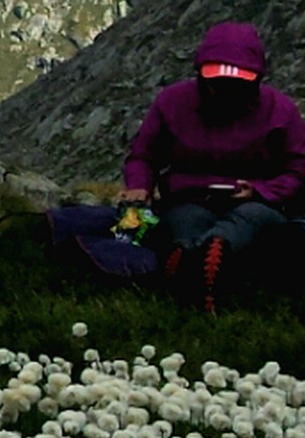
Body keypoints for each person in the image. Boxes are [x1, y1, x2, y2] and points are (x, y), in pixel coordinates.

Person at [119, 21, 305, 310]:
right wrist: (139, 186)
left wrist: (260, 190)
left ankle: (193, 259)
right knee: (190, 221)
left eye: (236, 84)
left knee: (245, 219)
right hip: (190, 200)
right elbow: (144, 155)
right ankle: (208, 262)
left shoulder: (280, 111)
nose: (226, 91)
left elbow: (298, 168)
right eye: (218, 83)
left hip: (255, 202)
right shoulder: (173, 102)